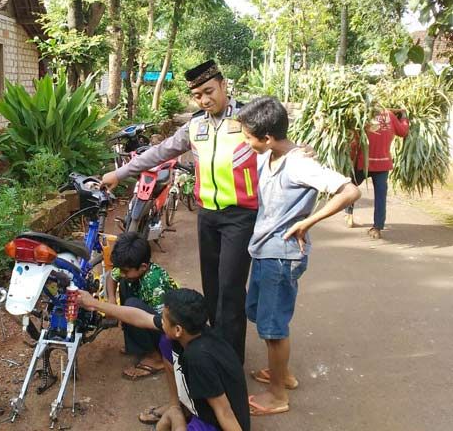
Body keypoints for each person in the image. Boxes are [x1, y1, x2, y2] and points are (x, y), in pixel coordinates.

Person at [102, 60, 257, 364]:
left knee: (230, 289)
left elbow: (276, 144)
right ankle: (215, 347)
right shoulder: (196, 125)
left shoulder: (247, 118)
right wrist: (119, 174)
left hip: (240, 216)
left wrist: (298, 151)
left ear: (224, 86)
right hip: (208, 216)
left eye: (209, 91)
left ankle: (230, 362)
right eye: (198, 95)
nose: (204, 100)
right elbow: (160, 152)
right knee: (212, 287)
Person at [237, 97, 361, 416]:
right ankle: (282, 372)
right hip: (265, 251)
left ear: (267, 137)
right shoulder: (273, 154)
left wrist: (308, 221)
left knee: (273, 327)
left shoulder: (298, 164)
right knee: (259, 314)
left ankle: (278, 394)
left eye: (248, 136)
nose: (245, 141)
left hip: (281, 257)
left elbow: (349, 191)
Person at [78, 287, 250, 431]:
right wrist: (94, 303)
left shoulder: (199, 358)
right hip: (203, 408)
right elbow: (139, 317)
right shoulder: (191, 332)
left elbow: (224, 412)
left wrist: (174, 419)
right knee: (166, 343)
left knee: (170, 421)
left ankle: (175, 415)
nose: (162, 321)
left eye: (165, 319)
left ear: (178, 329)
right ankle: (176, 407)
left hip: (213, 424)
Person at [107, 232, 178, 380]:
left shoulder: (153, 282)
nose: (121, 273)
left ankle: (157, 357)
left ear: (143, 267)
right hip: (152, 313)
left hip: (169, 326)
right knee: (126, 284)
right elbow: (111, 276)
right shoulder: (129, 267)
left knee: (131, 305)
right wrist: (112, 299)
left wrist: (168, 354)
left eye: (125, 271)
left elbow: (164, 325)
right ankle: (136, 344)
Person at [345, 108, 409, 239]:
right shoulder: (390, 115)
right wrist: (403, 117)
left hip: (362, 161)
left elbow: (351, 136)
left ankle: (349, 213)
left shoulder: (361, 113)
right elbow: (403, 132)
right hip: (382, 163)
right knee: (380, 195)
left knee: (350, 186)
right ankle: (377, 228)